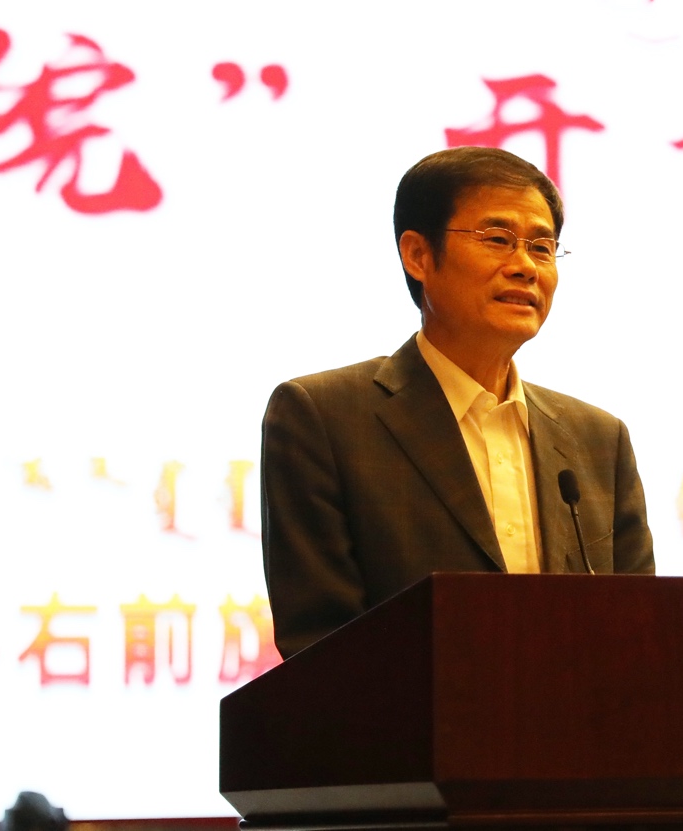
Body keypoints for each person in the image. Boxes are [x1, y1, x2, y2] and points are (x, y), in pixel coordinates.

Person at [260, 146, 655, 658]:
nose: (525, 267)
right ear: (418, 255)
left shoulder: (599, 440)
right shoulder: (324, 417)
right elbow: (319, 647)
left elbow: (640, 633)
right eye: (497, 240)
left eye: (542, 247)